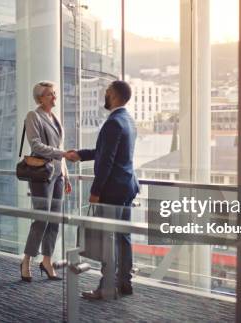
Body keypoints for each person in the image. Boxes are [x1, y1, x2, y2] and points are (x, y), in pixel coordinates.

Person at [64, 80, 139, 300]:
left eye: (106, 93)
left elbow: (106, 161)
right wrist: (80, 154)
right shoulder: (128, 120)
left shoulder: (113, 123)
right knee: (124, 236)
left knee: (108, 239)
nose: (104, 96)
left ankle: (106, 287)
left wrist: (95, 192)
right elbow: (106, 151)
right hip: (127, 187)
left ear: (114, 96)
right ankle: (125, 282)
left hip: (112, 191)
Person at [20, 81, 72, 282]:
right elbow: (36, 145)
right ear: (40, 98)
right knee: (41, 219)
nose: (54, 97)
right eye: (50, 94)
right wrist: (62, 154)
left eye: (54, 93)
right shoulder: (34, 116)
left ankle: (47, 260)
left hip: (58, 174)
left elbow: (60, 145)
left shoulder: (55, 117)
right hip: (42, 174)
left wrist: (65, 175)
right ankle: (26, 260)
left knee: (55, 219)